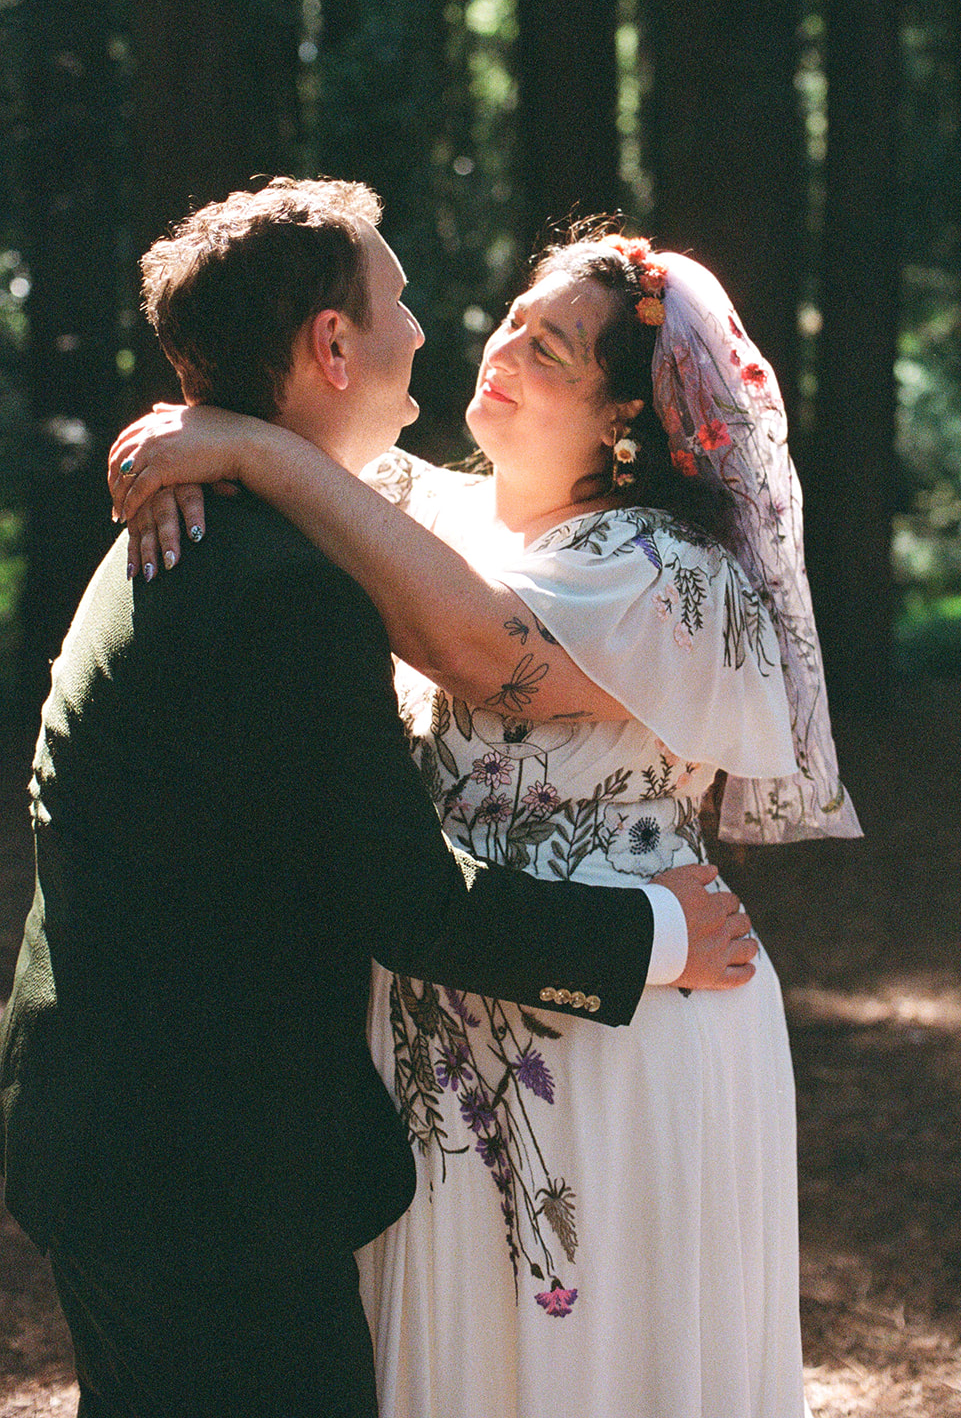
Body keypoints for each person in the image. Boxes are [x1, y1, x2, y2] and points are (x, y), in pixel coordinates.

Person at [0, 180, 761, 1418]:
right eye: (398, 300)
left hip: (135, 1129)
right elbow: (412, 902)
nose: (431, 329)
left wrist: (229, 434)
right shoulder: (281, 582)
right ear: (332, 343)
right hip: (201, 1168)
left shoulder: (225, 516)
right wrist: (661, 932)